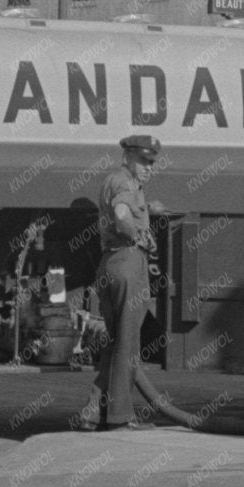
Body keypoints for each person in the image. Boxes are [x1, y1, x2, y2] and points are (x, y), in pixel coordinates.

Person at [79, 134, 160, 430]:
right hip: (127, 263)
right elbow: (122, 213)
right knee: (128, 344)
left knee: (116, 344)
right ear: (127, 158)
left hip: (111, 263)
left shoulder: (116, 181)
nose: (149, 167)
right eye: (143, 161)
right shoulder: (124, 182)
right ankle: (119, 417)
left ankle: (92, 412)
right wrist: (137, 236)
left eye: (152, 162)